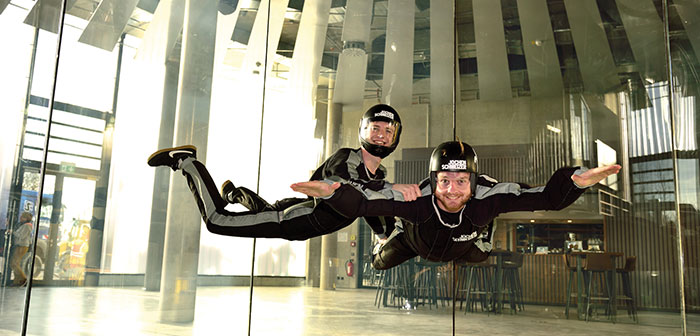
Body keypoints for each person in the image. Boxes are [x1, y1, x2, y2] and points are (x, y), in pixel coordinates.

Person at [291, 141, 621, 270]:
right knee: (378, 264)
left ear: (473, 181)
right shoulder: (418, 199)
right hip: (414, 241)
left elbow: (545, 198)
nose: (451, 191)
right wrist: (333, 191)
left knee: (482, 255)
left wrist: (576, 180)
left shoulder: (488, 196)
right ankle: (386, 238)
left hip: (464, 245)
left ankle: (483, 234)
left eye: (462, 181)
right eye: (444, 181)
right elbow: (365, 202)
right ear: (433, 179)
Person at [147, 104, 420, 241]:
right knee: (217, 221)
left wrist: (386, 233)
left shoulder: (379, 176)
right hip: (287, 219)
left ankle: (231, 193)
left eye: (388, 131)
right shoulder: (347, 157)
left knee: (260, 208)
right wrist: (393, 190)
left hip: (295, 220)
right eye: (376, 128)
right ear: (364, 130)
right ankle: (187, 163)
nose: (382, 136)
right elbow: (345, 189)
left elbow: (373, 210)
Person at [9, 212, 33, 286]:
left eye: (22, 217)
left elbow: (21, 236)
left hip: (22, 246)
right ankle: (17, 281)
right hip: (20, 245)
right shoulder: (25, 225)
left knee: (14, 263)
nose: (20, 218)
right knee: (15, 264)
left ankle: (24, 279)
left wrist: (12, 232)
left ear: (26, 218)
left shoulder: (27, 226)